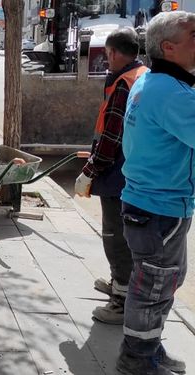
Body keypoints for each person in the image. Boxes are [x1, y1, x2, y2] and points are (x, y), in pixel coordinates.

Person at [116, 11, 195, 375]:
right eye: (194, 35)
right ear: (168, 47)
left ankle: (149, 348)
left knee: (159, 284)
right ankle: (136, 361)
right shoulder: (170, 92)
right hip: (160, 210)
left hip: (152, 204)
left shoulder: (154, 82)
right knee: (152, 288)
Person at [74, 28, 147, 325]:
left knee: (115, 236)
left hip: (118, 174)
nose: (106, 60)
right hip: (133, 170)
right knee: (125, 235)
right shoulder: (142, 74)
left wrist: (91, 169)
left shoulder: (123, 85)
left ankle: (120, 301)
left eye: (107, 55)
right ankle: (120, 282)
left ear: (115, 53)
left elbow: (111, 137)